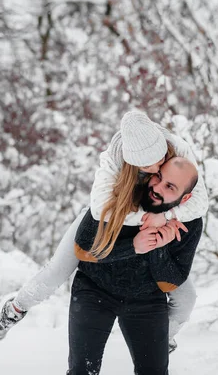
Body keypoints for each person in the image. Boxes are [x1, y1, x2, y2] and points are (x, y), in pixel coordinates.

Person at [0, 111, 208, 352]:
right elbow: (101, 207)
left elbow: (201, 200)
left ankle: (165, 336)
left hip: (156, 219)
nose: (156, 169)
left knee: (186, 299)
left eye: (161, 159)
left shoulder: (178, 148)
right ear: (133, 161)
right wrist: (146, 219)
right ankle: (14, 310)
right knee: (55, 272)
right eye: (148, 166)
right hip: (104, 219)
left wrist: (164, 216)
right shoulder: (113, 161)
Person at [69, 156, 204, 375]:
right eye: (158, 177)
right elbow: (83, 247)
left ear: (185, 197)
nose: (157, 188)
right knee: (82, 371)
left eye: (169, 186)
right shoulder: (123, 191)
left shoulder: (189, 223)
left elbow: (171, 283)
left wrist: (157, 246)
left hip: (146, 302)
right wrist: (133, 246)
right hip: (94, 290)